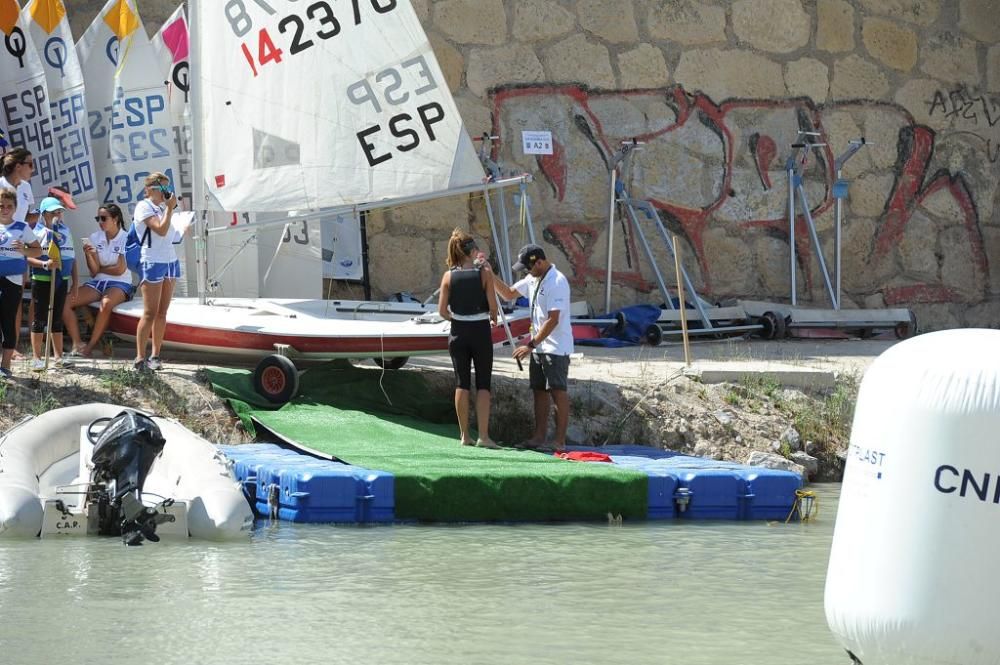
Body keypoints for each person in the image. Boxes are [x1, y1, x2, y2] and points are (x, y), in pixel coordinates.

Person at [493, 243, 574, 451]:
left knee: (557, 391)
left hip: (555, 347)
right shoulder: (532, 278)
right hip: (539, 346)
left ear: (539, 261)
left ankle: (559, 441)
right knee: (539, 390)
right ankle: (538, 437)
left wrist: (530, 344)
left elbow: (553, 319)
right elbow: (509, 294)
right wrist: (488, 274)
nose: (526, 272)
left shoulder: (557, 281)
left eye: (528, 267)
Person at [437, 230, 501, 449]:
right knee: (483, 383)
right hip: (480, 331)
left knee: (461, 382)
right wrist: (492, 316)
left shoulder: (448, 276)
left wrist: (458, 317)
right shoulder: (483, 273)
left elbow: (442, 311)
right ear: (471, 251)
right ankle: (484, 436)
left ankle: (464, 435)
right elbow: (493, 306)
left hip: (458, 332)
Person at [64, 204, 133, 357]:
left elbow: (120, 270)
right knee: (66, 301)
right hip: (98, 282)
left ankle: (90, 347)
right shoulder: (95, 237)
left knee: (106, 303)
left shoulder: (126, 237)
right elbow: (94, 272)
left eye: (103, 218)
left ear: (115, 219)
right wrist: (88, 255)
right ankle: (78, 343)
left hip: (120, 282)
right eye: (98, 218)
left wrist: (101, 268)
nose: (100, 222)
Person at [132, 172, 180, 371]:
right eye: (164, 189)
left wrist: (177, 220)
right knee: (150, 312)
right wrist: (169, 209)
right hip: (152, 261)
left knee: (162, 312)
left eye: (168, 190)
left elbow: (170, 234)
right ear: (152, 189)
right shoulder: (144, 206)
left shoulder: (162, 207)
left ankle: (155, 355)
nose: (167, 194)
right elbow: (159, 229)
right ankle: (140, 357)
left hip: (170, 260)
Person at [26, 196, 77, 371]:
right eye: (53, 212)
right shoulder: (36, 232)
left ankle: (58, 357)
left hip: (61, 279)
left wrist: (75, 281)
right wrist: (44, 264)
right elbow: (28, 258)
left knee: (56, 319)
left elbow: (72, 257)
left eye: (59, 212)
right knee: (40, 318)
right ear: (43, 214)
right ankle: (36, 358)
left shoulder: (65, 230)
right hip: (42, 280)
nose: (57, 215)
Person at [0, 188, 42, 378]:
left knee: (8, 321)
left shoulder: (22, 227)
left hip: (13, 281)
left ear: (15, 208)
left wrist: (24, 250)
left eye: (9, 206)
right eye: (1, 205)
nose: (5, 209)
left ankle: (6, 365)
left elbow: (38, 251)